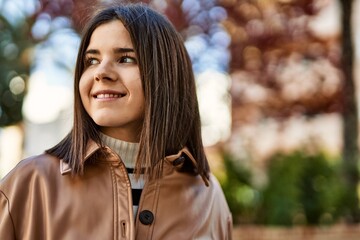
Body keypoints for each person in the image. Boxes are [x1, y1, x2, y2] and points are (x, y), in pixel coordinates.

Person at [0, 3, 232, 240]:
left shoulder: (208, 196)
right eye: (91, 61)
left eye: (125, 59)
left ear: (166, 74)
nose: (101, 72)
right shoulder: (30, 184)